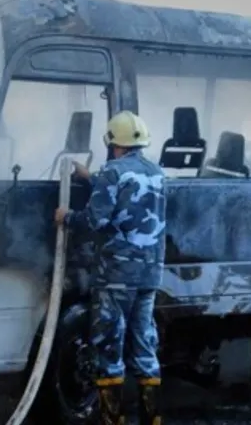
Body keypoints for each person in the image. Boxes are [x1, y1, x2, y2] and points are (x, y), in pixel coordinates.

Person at [54, 110, 166, 425]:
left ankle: (112, 420)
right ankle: (152, 419)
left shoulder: (113, 172)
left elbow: (96, 220)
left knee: (108, 349)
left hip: (116, 276)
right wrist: (91, 179)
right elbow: (132, 202)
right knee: (145, 345)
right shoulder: (157, 173)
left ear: (112, 142)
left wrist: (67, 217)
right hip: (149, 275)